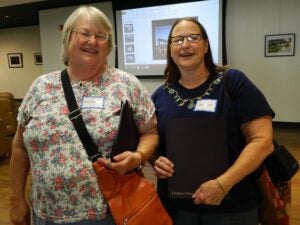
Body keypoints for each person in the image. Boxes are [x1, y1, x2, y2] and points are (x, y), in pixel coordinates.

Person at [9, 6, 158, 225]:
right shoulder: (41, 87)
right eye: (84, 33)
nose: (93, 41)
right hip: (45, 213)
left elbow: (151, 132)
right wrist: (16, 198)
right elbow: (19, 146)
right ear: (68, 37)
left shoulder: (126, 85)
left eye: (101, 36)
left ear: (108, 45)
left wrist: (138, 157)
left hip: (106, 214)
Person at [151, 17, 275, 225]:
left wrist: (222, 185)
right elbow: (150, 140)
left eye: (193, 37)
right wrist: (154, 160)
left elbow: (262, 141)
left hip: (232, 207)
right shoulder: (160, 95)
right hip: (176, 209)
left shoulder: (232, 81)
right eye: (178, 40)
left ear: (206, 45)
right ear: (170, 49)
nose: (185, 45)